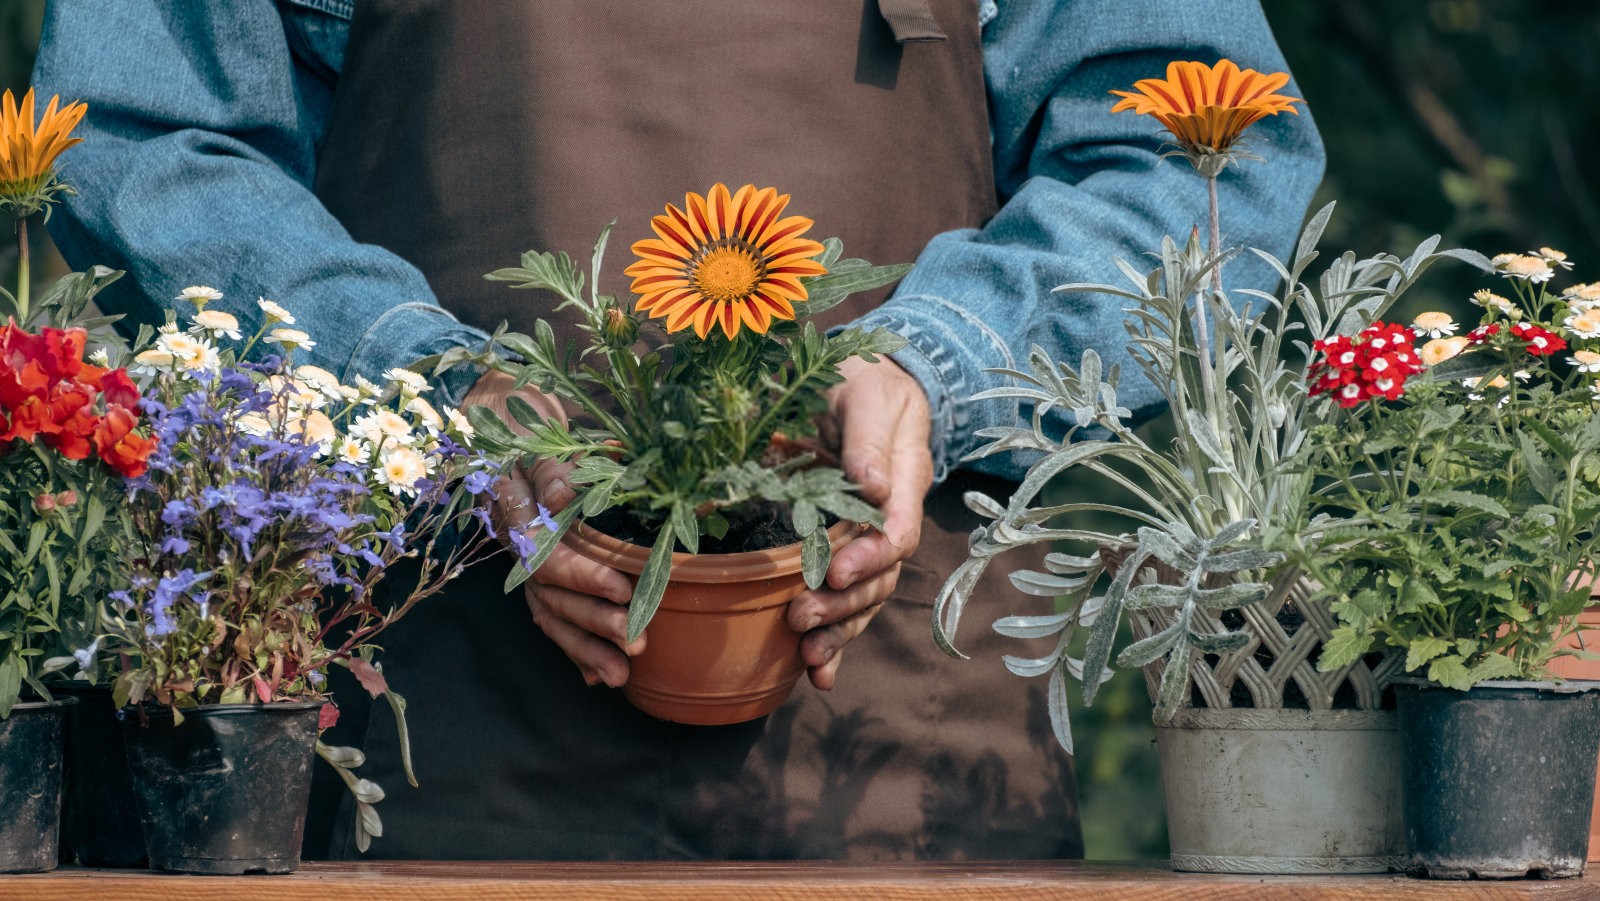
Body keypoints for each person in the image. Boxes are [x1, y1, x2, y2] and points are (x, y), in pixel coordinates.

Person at [33, 0, 1322, 860]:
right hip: (435, 716)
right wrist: (426, 391)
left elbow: (1203, 153)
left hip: (900, 737)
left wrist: (936, 367)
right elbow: (145, 135)